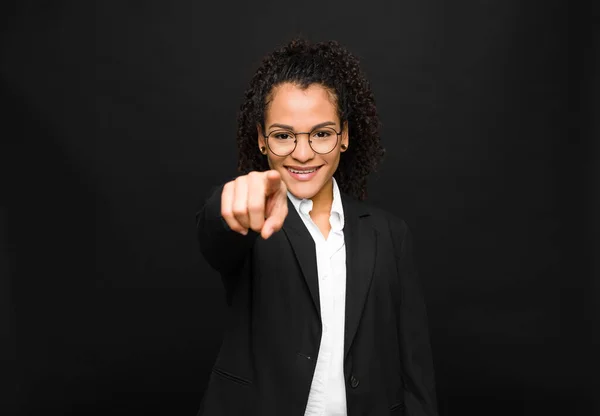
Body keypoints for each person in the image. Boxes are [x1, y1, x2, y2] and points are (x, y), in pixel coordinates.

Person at [196, 38, 438, 416]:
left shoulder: (390, 235)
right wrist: (233, 201)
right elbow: (215, 233)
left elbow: (416, 373)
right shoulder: (253, 218)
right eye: (283, 135)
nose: (303, 152)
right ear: (261, 139)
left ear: (344, 136)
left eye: (322, 133)